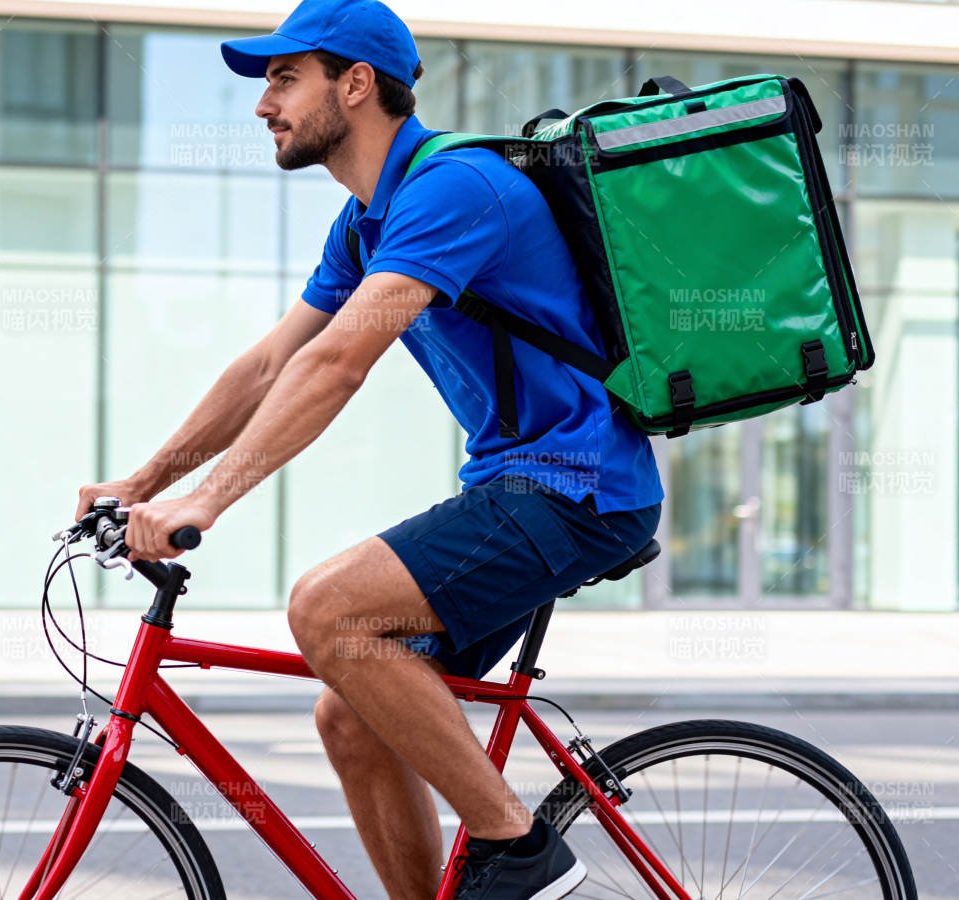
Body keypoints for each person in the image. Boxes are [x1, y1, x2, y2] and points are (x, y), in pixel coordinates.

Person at [73, 2, 663, 896]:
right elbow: (273, 363)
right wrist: (146, 480)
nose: (263, 104)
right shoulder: (365, 222)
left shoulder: (453, 188)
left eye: (285, 79)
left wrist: (208, 499)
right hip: (518, 484)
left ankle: (519, 848)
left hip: (576, 487)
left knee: (327, 610)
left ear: (355, 84)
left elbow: (339, 363)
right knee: (352, 719)